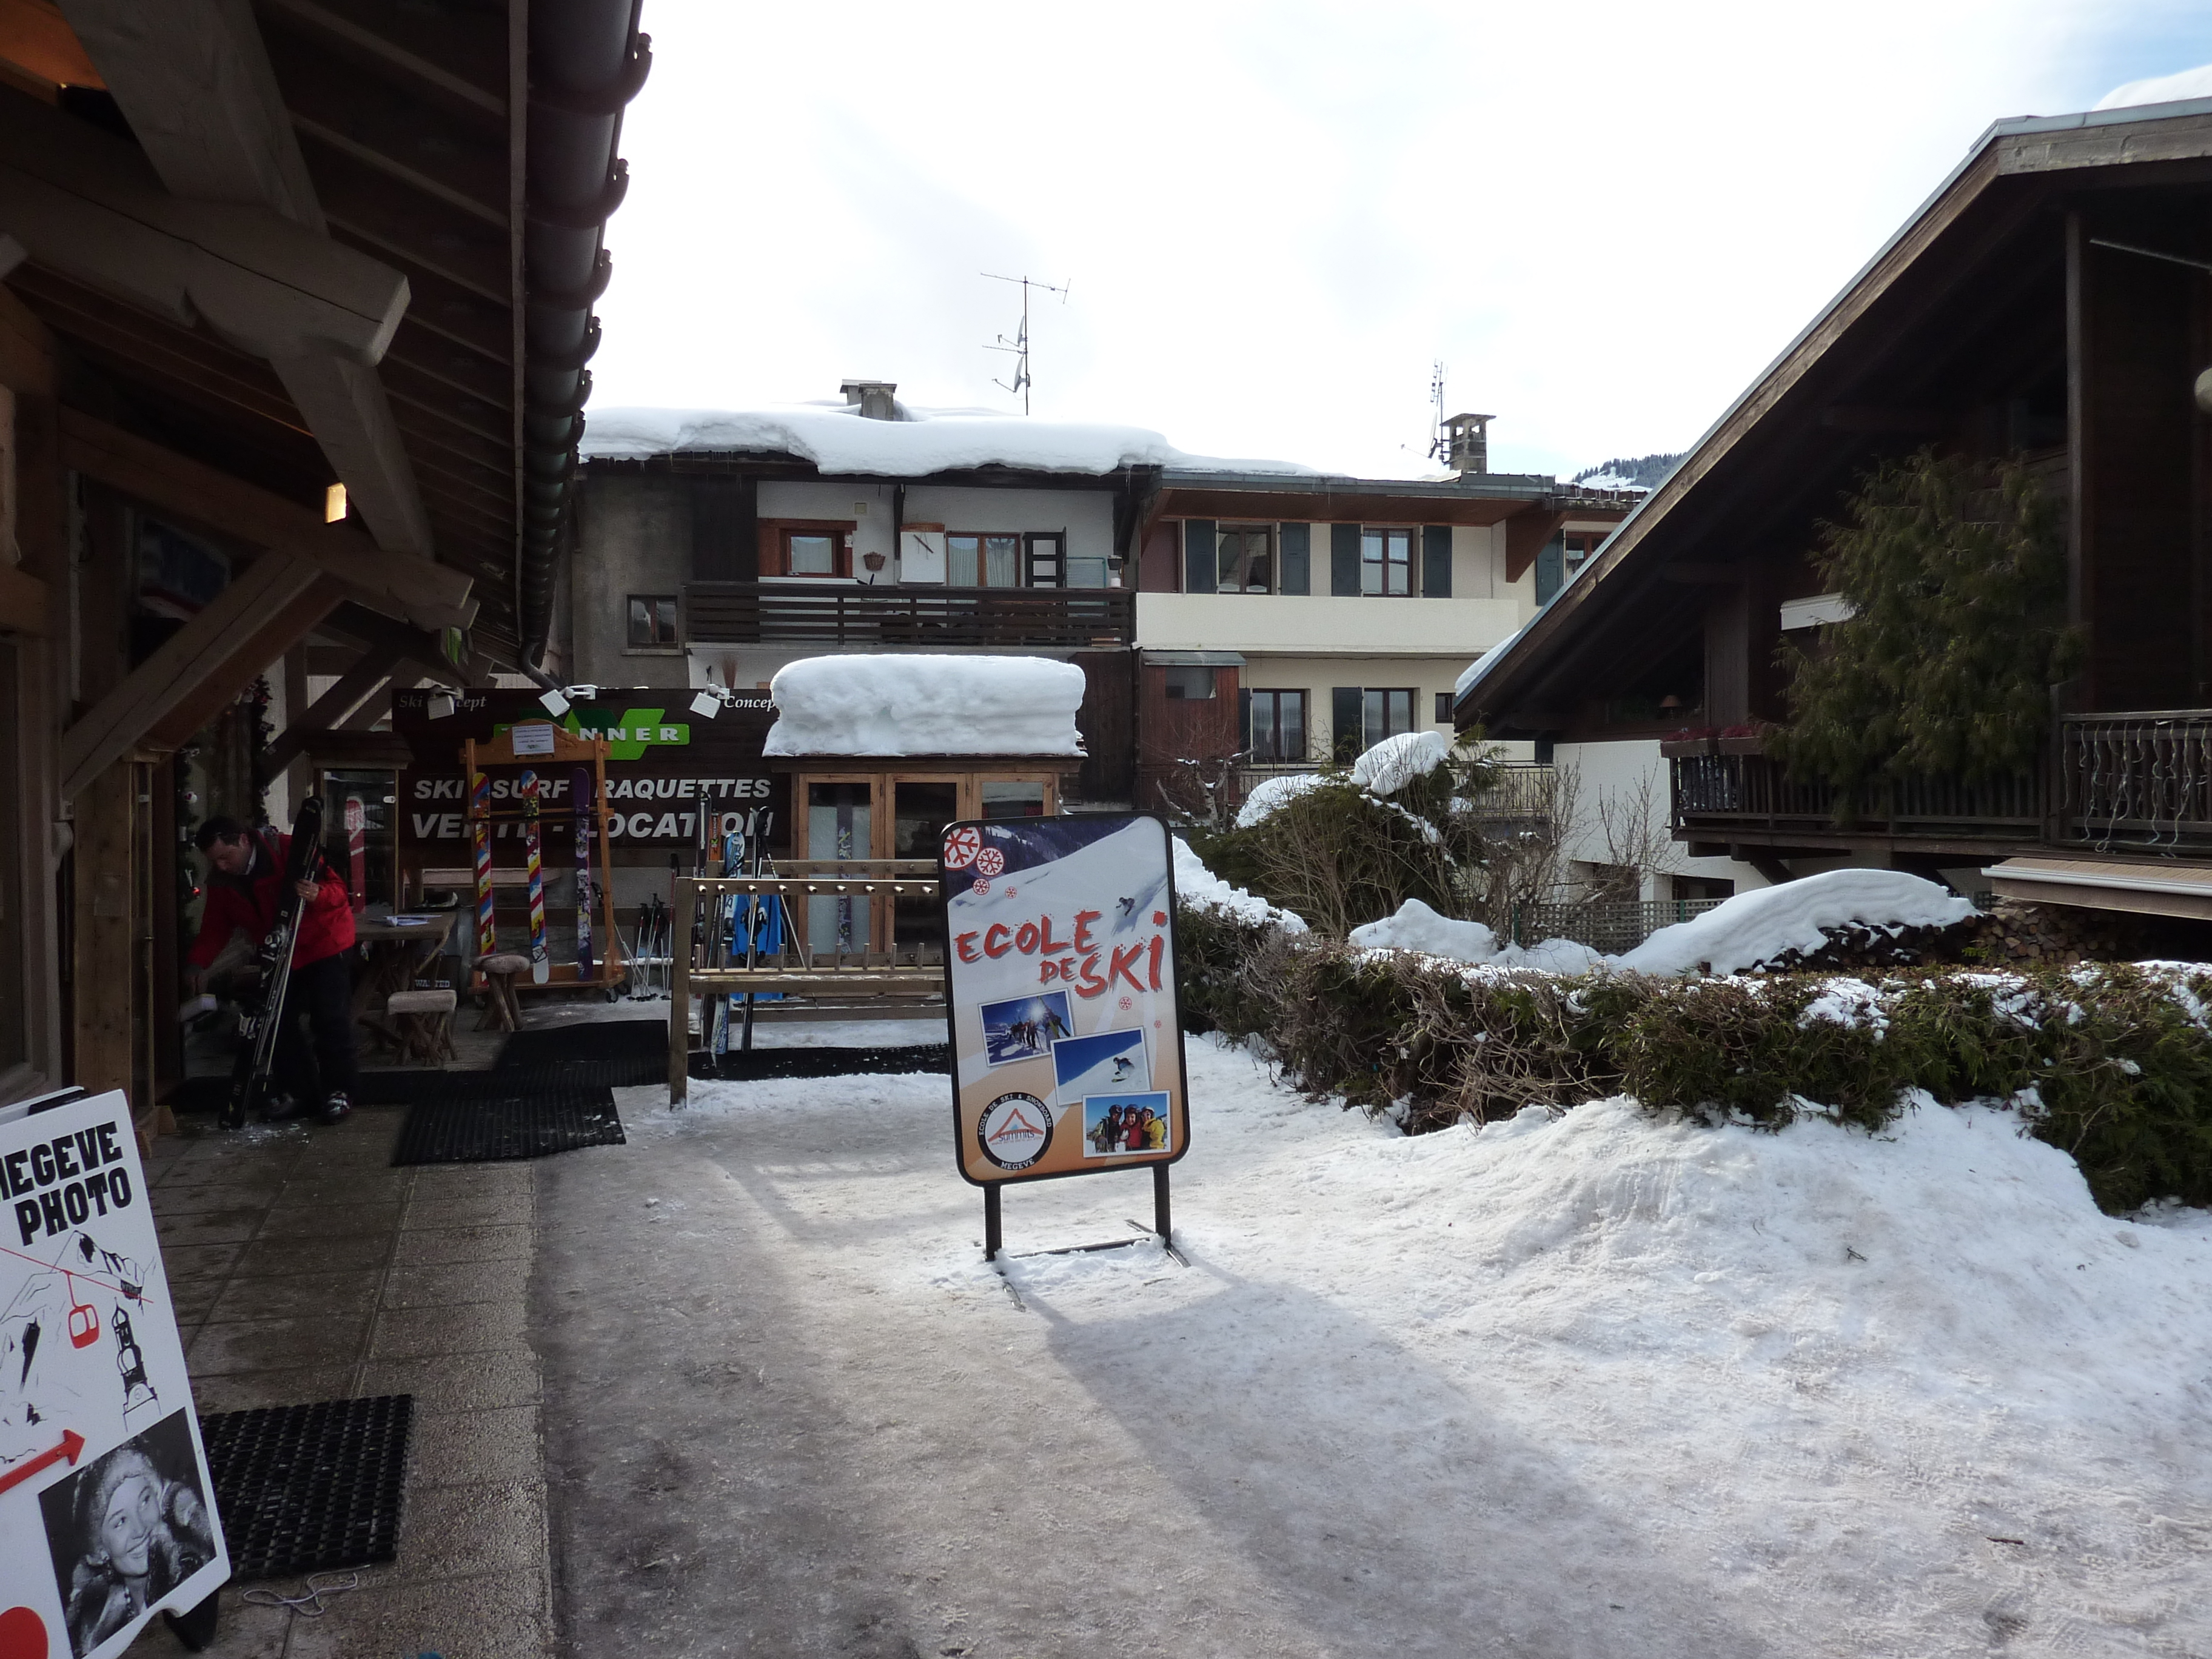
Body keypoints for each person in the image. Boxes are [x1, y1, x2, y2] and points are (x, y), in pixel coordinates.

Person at [186, 816, 357, 1124]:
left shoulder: (292, 850)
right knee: (278, 1023)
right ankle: (299, 1092)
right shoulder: (223, 881)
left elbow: (338, 890)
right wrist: (199, 962)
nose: (222, 866)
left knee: (329, 1019)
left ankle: (339, 1091)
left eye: (226, 857)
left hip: (324, 943)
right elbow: (216, 925)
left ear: (242, 841)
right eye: (215, 861)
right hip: (279, 950)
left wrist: (318, 894)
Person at [62, 1445, 215, 1654]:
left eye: (144, 1501)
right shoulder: (94, 1623)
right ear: (101, 1550)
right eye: (120, 1522)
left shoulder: (192, 1565)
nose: (140, 1528)